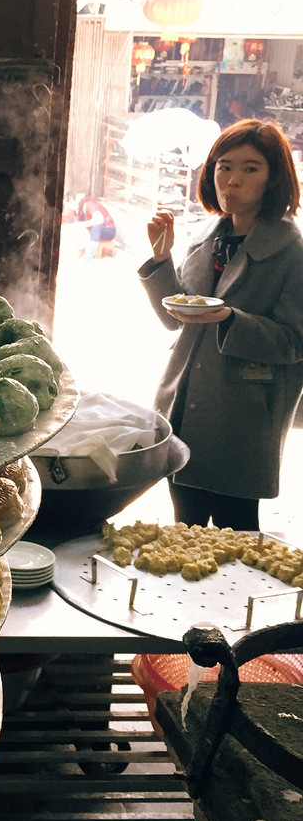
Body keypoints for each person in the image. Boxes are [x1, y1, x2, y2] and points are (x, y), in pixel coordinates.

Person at [138, 118, 303, 529]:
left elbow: (293, 342)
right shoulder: (205, 235)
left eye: (251, 169)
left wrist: (230, 318)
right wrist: (161, 258)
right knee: (185, 527)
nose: (232, 180)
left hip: (244, 415)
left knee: (236, 533)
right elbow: (174, 319)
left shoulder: (292, 250)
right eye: (224, 166)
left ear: (274, 179)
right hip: (185, 402)